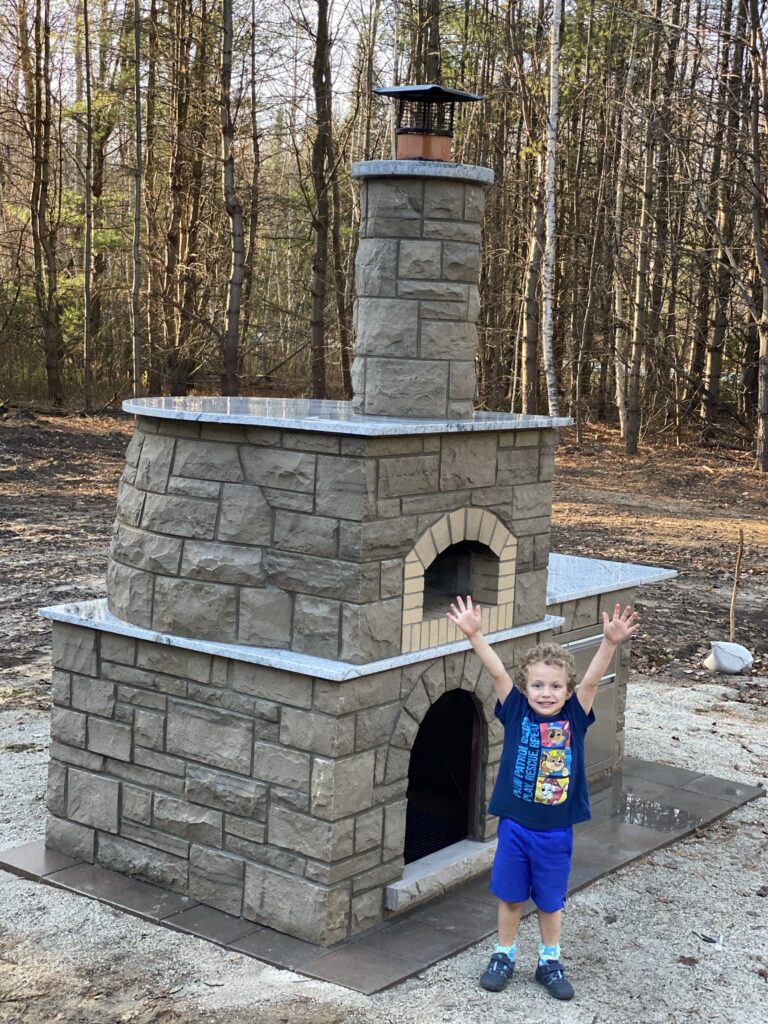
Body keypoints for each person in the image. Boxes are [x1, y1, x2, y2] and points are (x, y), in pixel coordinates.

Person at [447, 595, 639, 1001]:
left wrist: (609, 643)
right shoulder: (515, 710)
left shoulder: (574, 714)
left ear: (567, 691)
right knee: (511, 898)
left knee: (550, 902)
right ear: (525, 687)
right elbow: (497, 671)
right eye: (538, 685)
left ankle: (549, 960)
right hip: (515, 828)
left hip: (554, 832)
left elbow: (590, 681)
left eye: (555, 686)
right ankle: (504, 954)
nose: (546, 693)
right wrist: (474, 634)